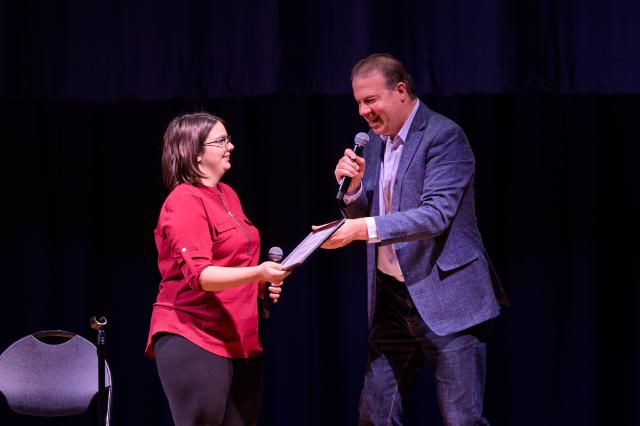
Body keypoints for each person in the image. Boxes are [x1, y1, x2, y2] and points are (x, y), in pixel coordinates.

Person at [320, 54, 509, 425]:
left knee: (462, 420)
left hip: (448, 297)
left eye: (371, 100)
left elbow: (435, 214)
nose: (363, 111)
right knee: (375, 415)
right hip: (394, 300)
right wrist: (354, 193)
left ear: (401, 91)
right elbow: (371, 214)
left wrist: (359, 229)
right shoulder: (374, 144)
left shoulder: (443, 136)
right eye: (358, 102)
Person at [145, 112, 290, 426]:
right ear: (196, 152)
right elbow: (202, 277)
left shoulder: (228, 195)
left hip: (240, 337)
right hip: (195, 335)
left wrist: (260, 285)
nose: (231, 146)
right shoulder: (183, 200)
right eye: (221, 141)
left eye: (229, 139)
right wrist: (258, 273)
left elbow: (233, 263)